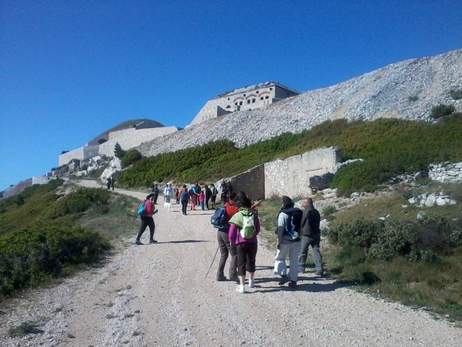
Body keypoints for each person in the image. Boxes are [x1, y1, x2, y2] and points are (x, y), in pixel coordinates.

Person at [228, 192, 260, 293]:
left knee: (241, 263)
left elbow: (231, 233)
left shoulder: (238, 215)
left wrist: (233, 242)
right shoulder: (254, 214)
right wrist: (252, 235)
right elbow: (258, 229)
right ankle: (251, 281)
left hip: (240, 243)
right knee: (251, 261)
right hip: (253, 242)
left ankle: (242, 286)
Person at [273, 196, 303, 288]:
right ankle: (293, 281)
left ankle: (283, 275)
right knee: (294, 261)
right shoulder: (299, 213)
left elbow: (281, 229)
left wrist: (279, 241)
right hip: (297, 240)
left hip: (285, 240)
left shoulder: (283, 214)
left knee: (280, 258)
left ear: (283, 204)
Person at [215, 192, 239, 282]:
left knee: (223, 254)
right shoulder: (234, 208)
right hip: (227, 233)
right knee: (234, 254)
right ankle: (233, 274)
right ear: (232, 200)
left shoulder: (224, 206)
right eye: (236, 200)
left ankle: (219, 275)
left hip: (219, 232)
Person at [299, 198, 323, 275]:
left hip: (307, 235)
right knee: (316, 251)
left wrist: (300, 231)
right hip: (316, 234)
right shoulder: (316, 212)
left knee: (303, 252)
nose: (302, 204)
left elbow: (302, 222)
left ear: (307, 203)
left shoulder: (306, 211)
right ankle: (319, 268)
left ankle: (301, 268)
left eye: (304, 202)